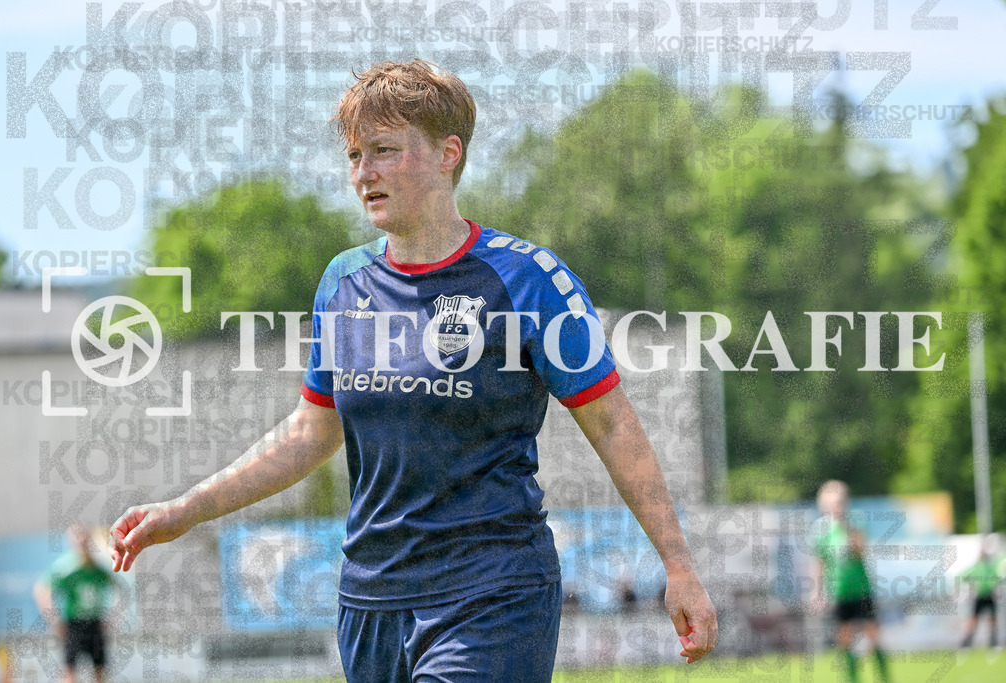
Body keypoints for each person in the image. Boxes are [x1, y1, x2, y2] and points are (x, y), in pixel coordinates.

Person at [109, 58, 717, 681]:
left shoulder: (527, 280)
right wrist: (185, 509)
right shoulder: (344, 283)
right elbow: (308, 434)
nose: (362, 173)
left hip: (492, 592)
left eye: (385, 151)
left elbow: (613, 424)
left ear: (448, 153)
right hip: (371, 602)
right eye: (354, 155)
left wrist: (678, 565)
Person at [812, 480, 889, 683]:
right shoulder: (821, 530)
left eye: (840, 501)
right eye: (833, 502)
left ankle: (885, 677)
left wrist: (846, 528)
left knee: (873, 636)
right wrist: (817, 592)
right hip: (839, 591)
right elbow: (820, 562)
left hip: (861, 589)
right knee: (844, 640)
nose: (837, 506)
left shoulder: (855, 522)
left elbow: (859, 552)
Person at [33, 525, 117, 683]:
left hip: (94, 623)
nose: (82, 541)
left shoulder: (97, 566)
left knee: (100, 671)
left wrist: (112, 617)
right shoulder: (65, 566)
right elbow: (41, 590)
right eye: (77, 537)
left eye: (84, 537)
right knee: (69, 671)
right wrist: (54, 620)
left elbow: (118, 588)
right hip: (73, 624)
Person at [959, 538, 1001, 649]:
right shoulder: (976, 567)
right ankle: (967, 642)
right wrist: (972, 586)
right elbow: (963, 576)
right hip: (979, 596)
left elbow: (996, 578)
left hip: (990, 595)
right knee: (973, 619)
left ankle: (994, 642)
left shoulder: (990, 566)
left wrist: (994, 586)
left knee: (993, 619)